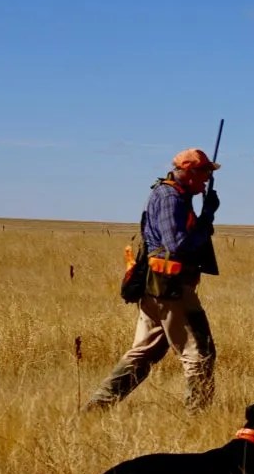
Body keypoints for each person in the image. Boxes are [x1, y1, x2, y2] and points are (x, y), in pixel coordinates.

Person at [85, 148, 222, 412]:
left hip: (156, 287)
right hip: (170, 288)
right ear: (189, 171)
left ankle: (96, 409)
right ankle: (199, 419)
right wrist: (207, 217)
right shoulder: (171, 197)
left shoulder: (173, 194)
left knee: (144, 352)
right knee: (200, 354)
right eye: (204, 172)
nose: (206, 179)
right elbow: (177, 244)